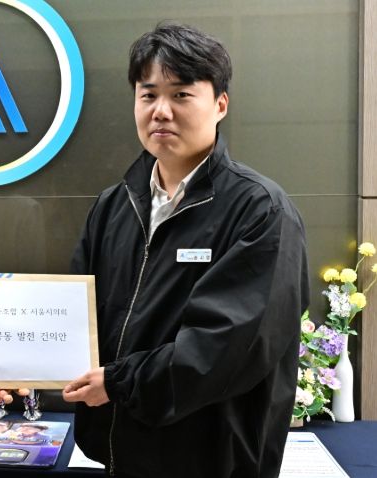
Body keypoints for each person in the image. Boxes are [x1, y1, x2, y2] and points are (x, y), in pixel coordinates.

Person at [62, 23, 309, 478]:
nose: (161, 111)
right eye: (148, 94)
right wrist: (20, 370)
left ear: (220, 104)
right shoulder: (114, 206)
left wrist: (120, 382)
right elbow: (76, 317)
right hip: (121, 455)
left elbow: (227, 347)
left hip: (213, 458)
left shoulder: (260, 210)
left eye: (180, 95)